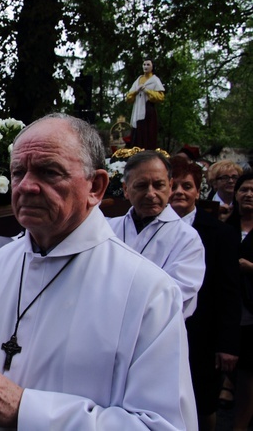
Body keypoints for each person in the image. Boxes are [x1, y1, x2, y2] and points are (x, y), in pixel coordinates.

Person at [0, 114, 196, 430]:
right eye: (18, 172)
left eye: (49, 172)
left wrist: (27, 410)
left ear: (96, 187)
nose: (27, 186)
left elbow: (162, 425)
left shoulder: (147, 290)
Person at [169, 157, 240, 430]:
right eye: (173, 185)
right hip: (163, 331)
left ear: (198, 191)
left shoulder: (220, 234)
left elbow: (228, 291)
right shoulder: (146, 229)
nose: (179, 192)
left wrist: (227, 344)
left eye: (187, 186)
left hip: (202, 333)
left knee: (202, 402)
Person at [108, 150, 206, 318]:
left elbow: (177, 293)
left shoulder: (187, 238)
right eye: (141, 185)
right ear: (126, 189)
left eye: (158, 185)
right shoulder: (108, 228)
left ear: (170, 186)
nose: (151, 194)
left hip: (155, 332)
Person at [225, 172, 253, 430]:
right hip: (232, 307)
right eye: (244, 189)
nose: (249, 195)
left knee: (248, 374)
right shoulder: (226, 227)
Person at [125, 59, 164, 149]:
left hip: (148, 109)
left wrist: (147, 91)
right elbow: (128, 97)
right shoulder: (138, 79)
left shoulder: (154, 80)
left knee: (148, 133)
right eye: (144, 64)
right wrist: (136, 91)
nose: (145, 67)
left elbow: (160, 97)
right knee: (137, 132)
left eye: (148, 65)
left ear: (152, 67)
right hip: (137, 109)